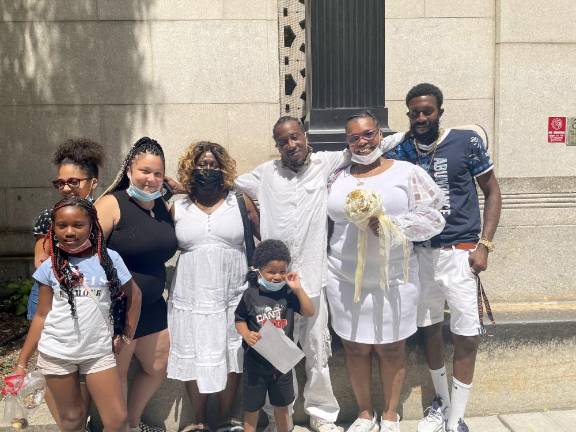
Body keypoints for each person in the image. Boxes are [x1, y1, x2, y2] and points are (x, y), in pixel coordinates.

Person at [383, 83, 502, 432]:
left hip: (460, 253)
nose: (421, 117)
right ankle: (442, 403)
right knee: (429, 329)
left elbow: (493, 192)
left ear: (439, 111)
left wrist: (485, 245)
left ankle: (457, 417)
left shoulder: (466, 142)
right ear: (408, 114)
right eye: (415, 112)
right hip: (420, 255)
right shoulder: (403, 148)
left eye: (427, 111)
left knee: (466, 333)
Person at [326, 112, 446, 432]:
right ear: (347, 142)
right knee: (354, 346)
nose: (362, 142)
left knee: (392, 347)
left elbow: (435, 215)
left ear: (380, 134)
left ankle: (391, 414)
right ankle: (365, 413)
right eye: (354, 137)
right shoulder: (337, 177)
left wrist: (393, 227)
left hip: (395, 278)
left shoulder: (407, 172)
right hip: (344, 278)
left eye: (368, 134)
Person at [235, 116, 352, 431]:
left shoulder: (324, 164)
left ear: (305, 136)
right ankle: (279, 417)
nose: (290, 145)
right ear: (277, 145)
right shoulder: (265, 174)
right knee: (276, 353)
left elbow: (360, 146)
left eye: (295, 137)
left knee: (317, 351)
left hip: (311, 279)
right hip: (273, 288)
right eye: (283, 141)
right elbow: (229, 183)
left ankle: (322, 415)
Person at [13, 196, 141, 432]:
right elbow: (41, 315)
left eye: (78, 225)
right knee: (72, 420)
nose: (69, 232)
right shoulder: (49, 267)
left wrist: (125, 334)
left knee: (117, 420)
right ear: (54, 228)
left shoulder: (109, 259)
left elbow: (134, 296)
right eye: (62, 226)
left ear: (92, 225)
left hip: (98, 353)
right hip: (57, 353)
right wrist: (21, 363)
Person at [167, 141, 259, 432]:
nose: (208, 170)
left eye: (214, 165)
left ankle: (227, 416)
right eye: (202, 165)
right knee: (193, 349)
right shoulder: (177, 206)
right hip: (190, 291)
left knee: (232, 350)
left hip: (233, 290)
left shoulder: (240, 201)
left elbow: (266, 235)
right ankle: (200, 418)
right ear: (190, 168)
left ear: (224, 168)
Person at [96, 137, 178, 432]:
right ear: (129, 171)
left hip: (154, 307)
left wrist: (179, 188)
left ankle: (132, 422)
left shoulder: (162, 206)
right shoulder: (111, 204)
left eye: (157, 173)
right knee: (116, 374)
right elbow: (85, 250)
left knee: (157, 367)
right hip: (120, 308)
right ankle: (116, 427)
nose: (150, 179)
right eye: (144, 171)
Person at [234, 240, 315, 432]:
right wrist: (246, 334)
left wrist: (297, 288)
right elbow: (239, 319)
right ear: (259, 270)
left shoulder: (288, 294)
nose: (277, 276)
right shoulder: (250, 295)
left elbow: (309, 311)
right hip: (255, 364)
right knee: (251, 407)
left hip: (281, 365)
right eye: (271, 271)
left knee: (282, 407)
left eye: (282, 271)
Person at [29, 138, 104, 319]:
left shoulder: (105, 213)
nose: (66, 188)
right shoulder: (50, 216)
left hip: (95, 293)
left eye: (73, 181)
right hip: (53, 293)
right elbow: (41, 260)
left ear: (93, 183)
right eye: (60, 183)